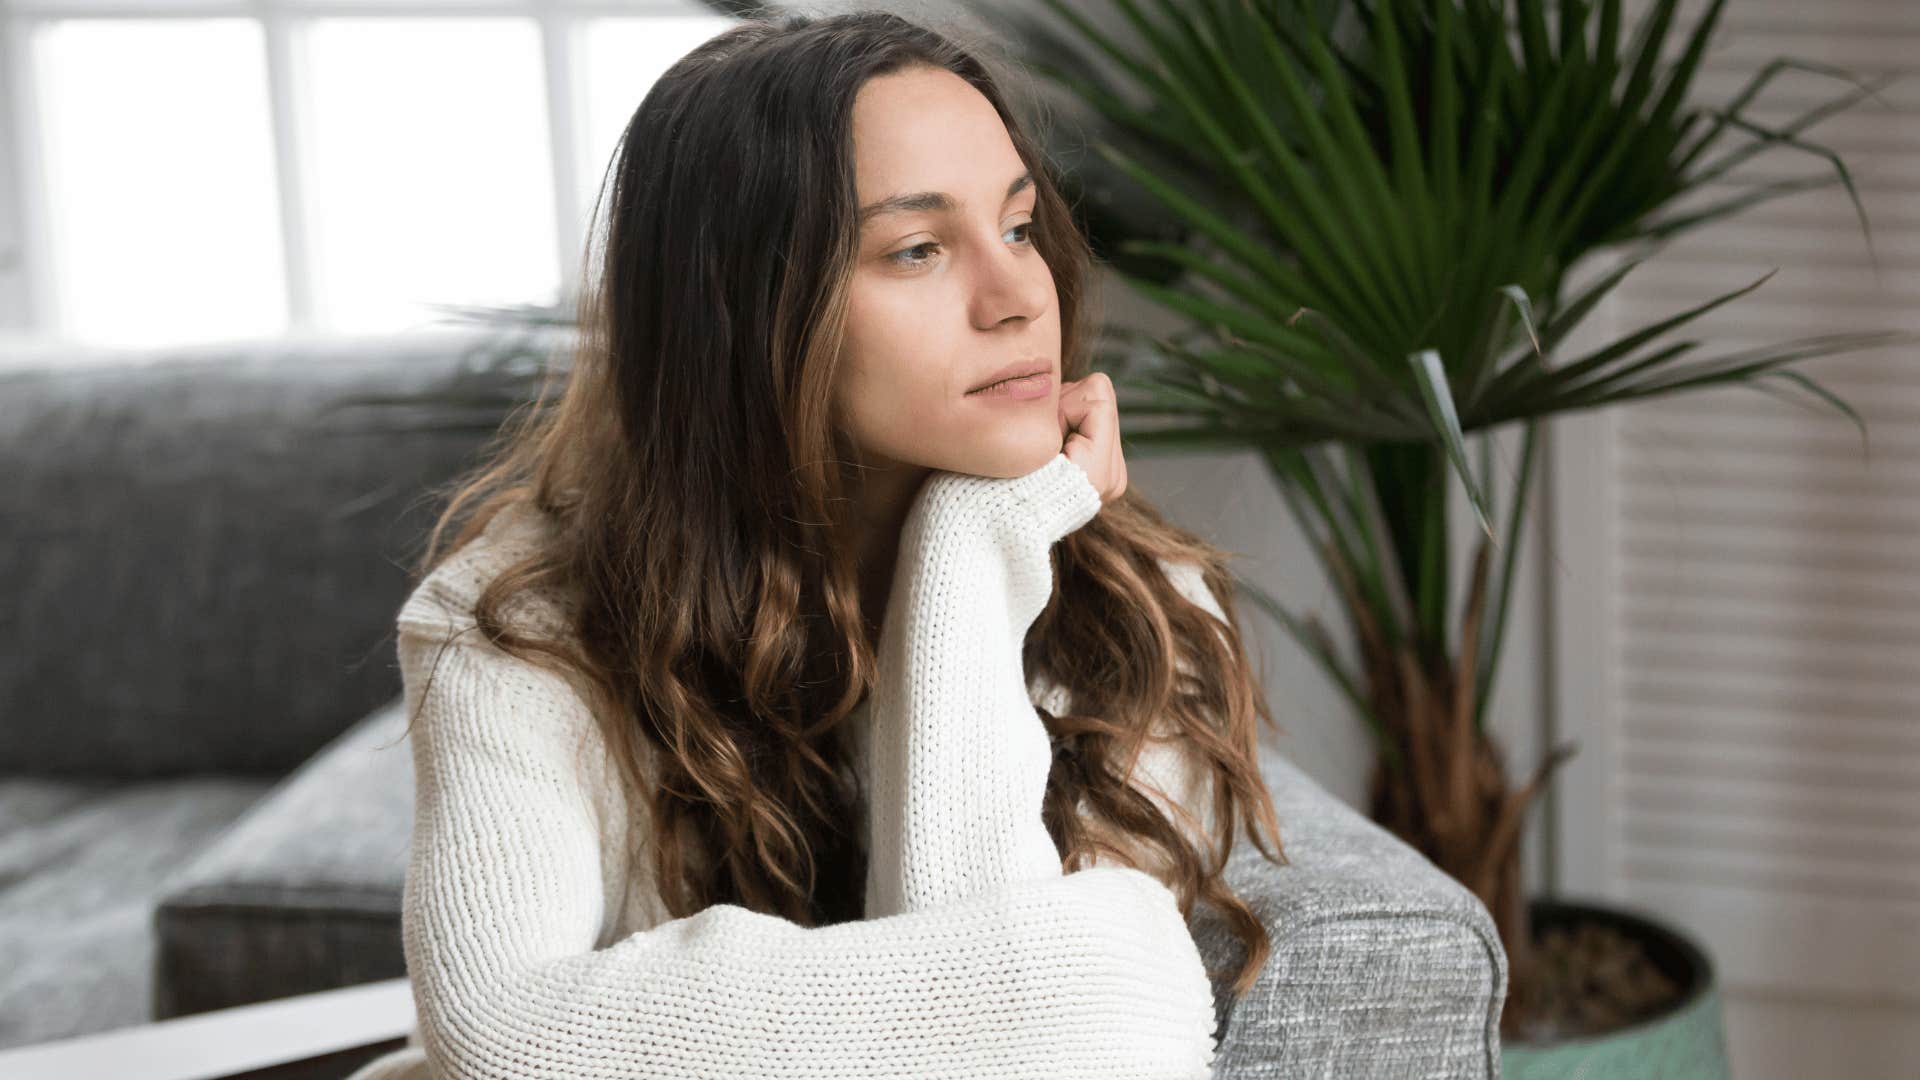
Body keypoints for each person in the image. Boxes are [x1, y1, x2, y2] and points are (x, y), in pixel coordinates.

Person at [347, 9, 1288, 1078]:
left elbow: (1026, 1058)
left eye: (1020, 227)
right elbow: (501, 1037)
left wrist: (974, 556)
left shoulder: (1138, 609)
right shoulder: (515, 629)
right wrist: (1101, 973)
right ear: (746, 318)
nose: (1019, 295)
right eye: (918, 250)